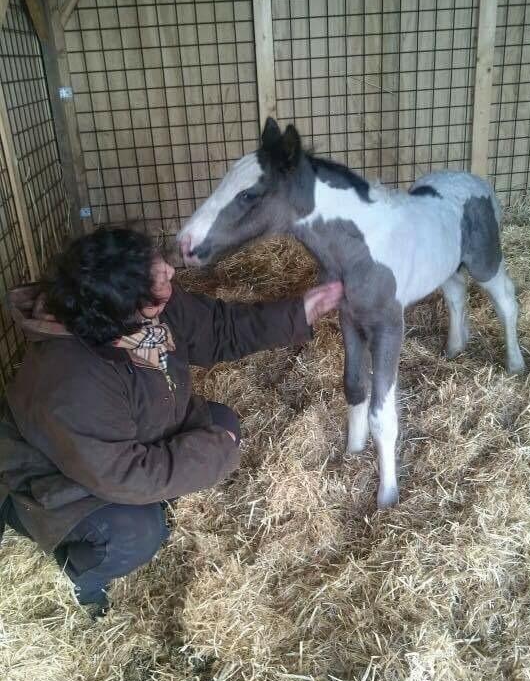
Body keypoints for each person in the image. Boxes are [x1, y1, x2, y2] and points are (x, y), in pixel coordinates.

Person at [0, 227, 342, 613]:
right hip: (53, 475)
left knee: (220, 420)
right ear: (125, 303)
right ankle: (81, 571)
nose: (171, 272)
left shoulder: (134, 310)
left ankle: (158, 498)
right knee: (138, 533)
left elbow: (217, 330)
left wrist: (301, 311)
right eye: (157, 272)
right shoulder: (71, 377)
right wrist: (217, 454)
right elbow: (125, 474)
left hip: (122, 439)